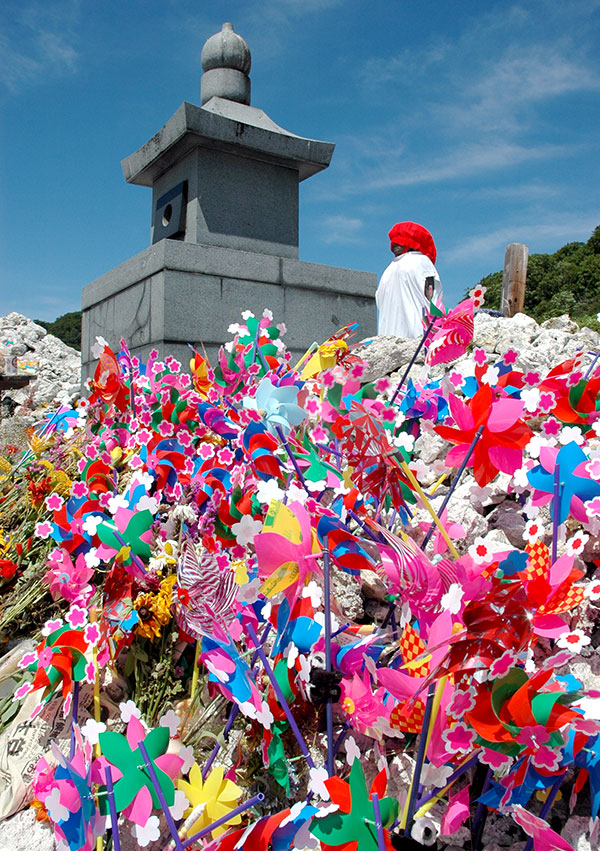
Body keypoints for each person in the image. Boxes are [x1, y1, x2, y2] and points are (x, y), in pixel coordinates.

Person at [376, 221, 442, 338]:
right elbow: (432, 305)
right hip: (417, 341)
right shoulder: (422, 262)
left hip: (386, 341)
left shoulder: (387, 272)